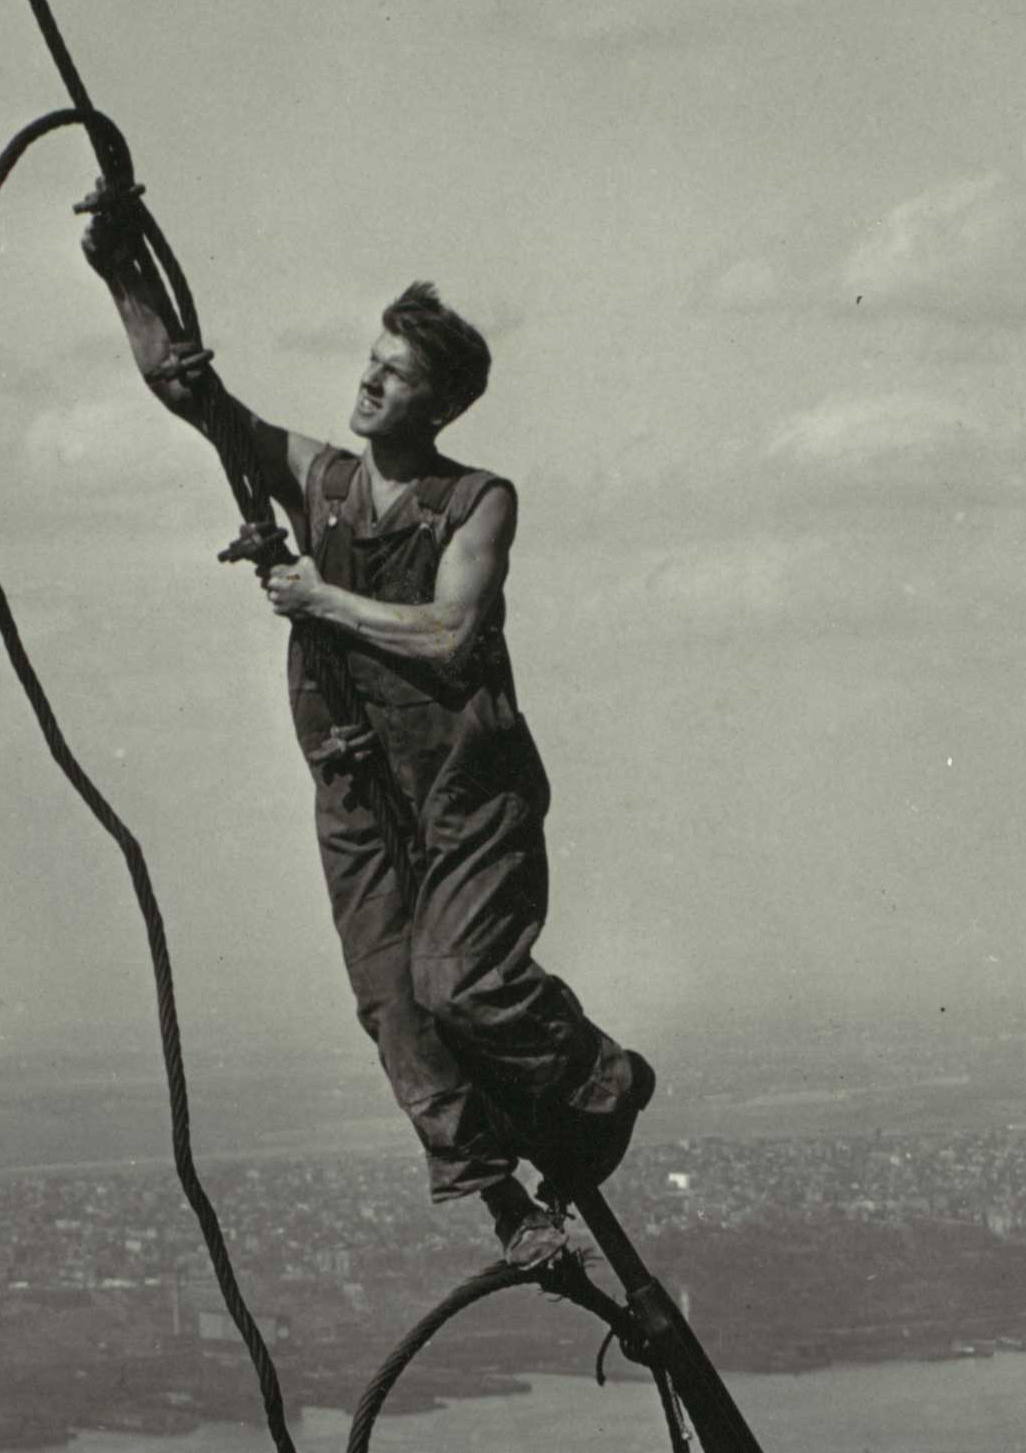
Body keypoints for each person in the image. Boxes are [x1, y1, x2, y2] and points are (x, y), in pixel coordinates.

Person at [81, 193, 651, 1267]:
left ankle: (600, 1083)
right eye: (372, 358)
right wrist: (120, 270)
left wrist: (318, 600)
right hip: (353, 777)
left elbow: (448, 634)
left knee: (462, 985)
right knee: (395, 1004)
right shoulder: (323, 481)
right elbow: (195, 398)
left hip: (464, 786)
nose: (369, 379)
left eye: (396, 371)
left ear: (438, 401)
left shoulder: (475, 500)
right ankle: (507, 1212)